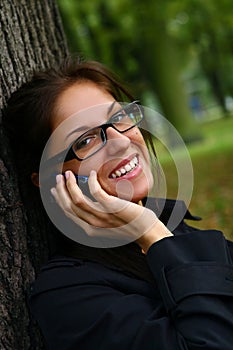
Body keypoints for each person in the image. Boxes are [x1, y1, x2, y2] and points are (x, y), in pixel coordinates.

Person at [4, 57, 233, 350]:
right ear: (50, 178)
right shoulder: (69, 295)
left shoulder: (177, 226)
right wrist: (151, 232)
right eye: (85, 140)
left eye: (119, 117)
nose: (121, 141)